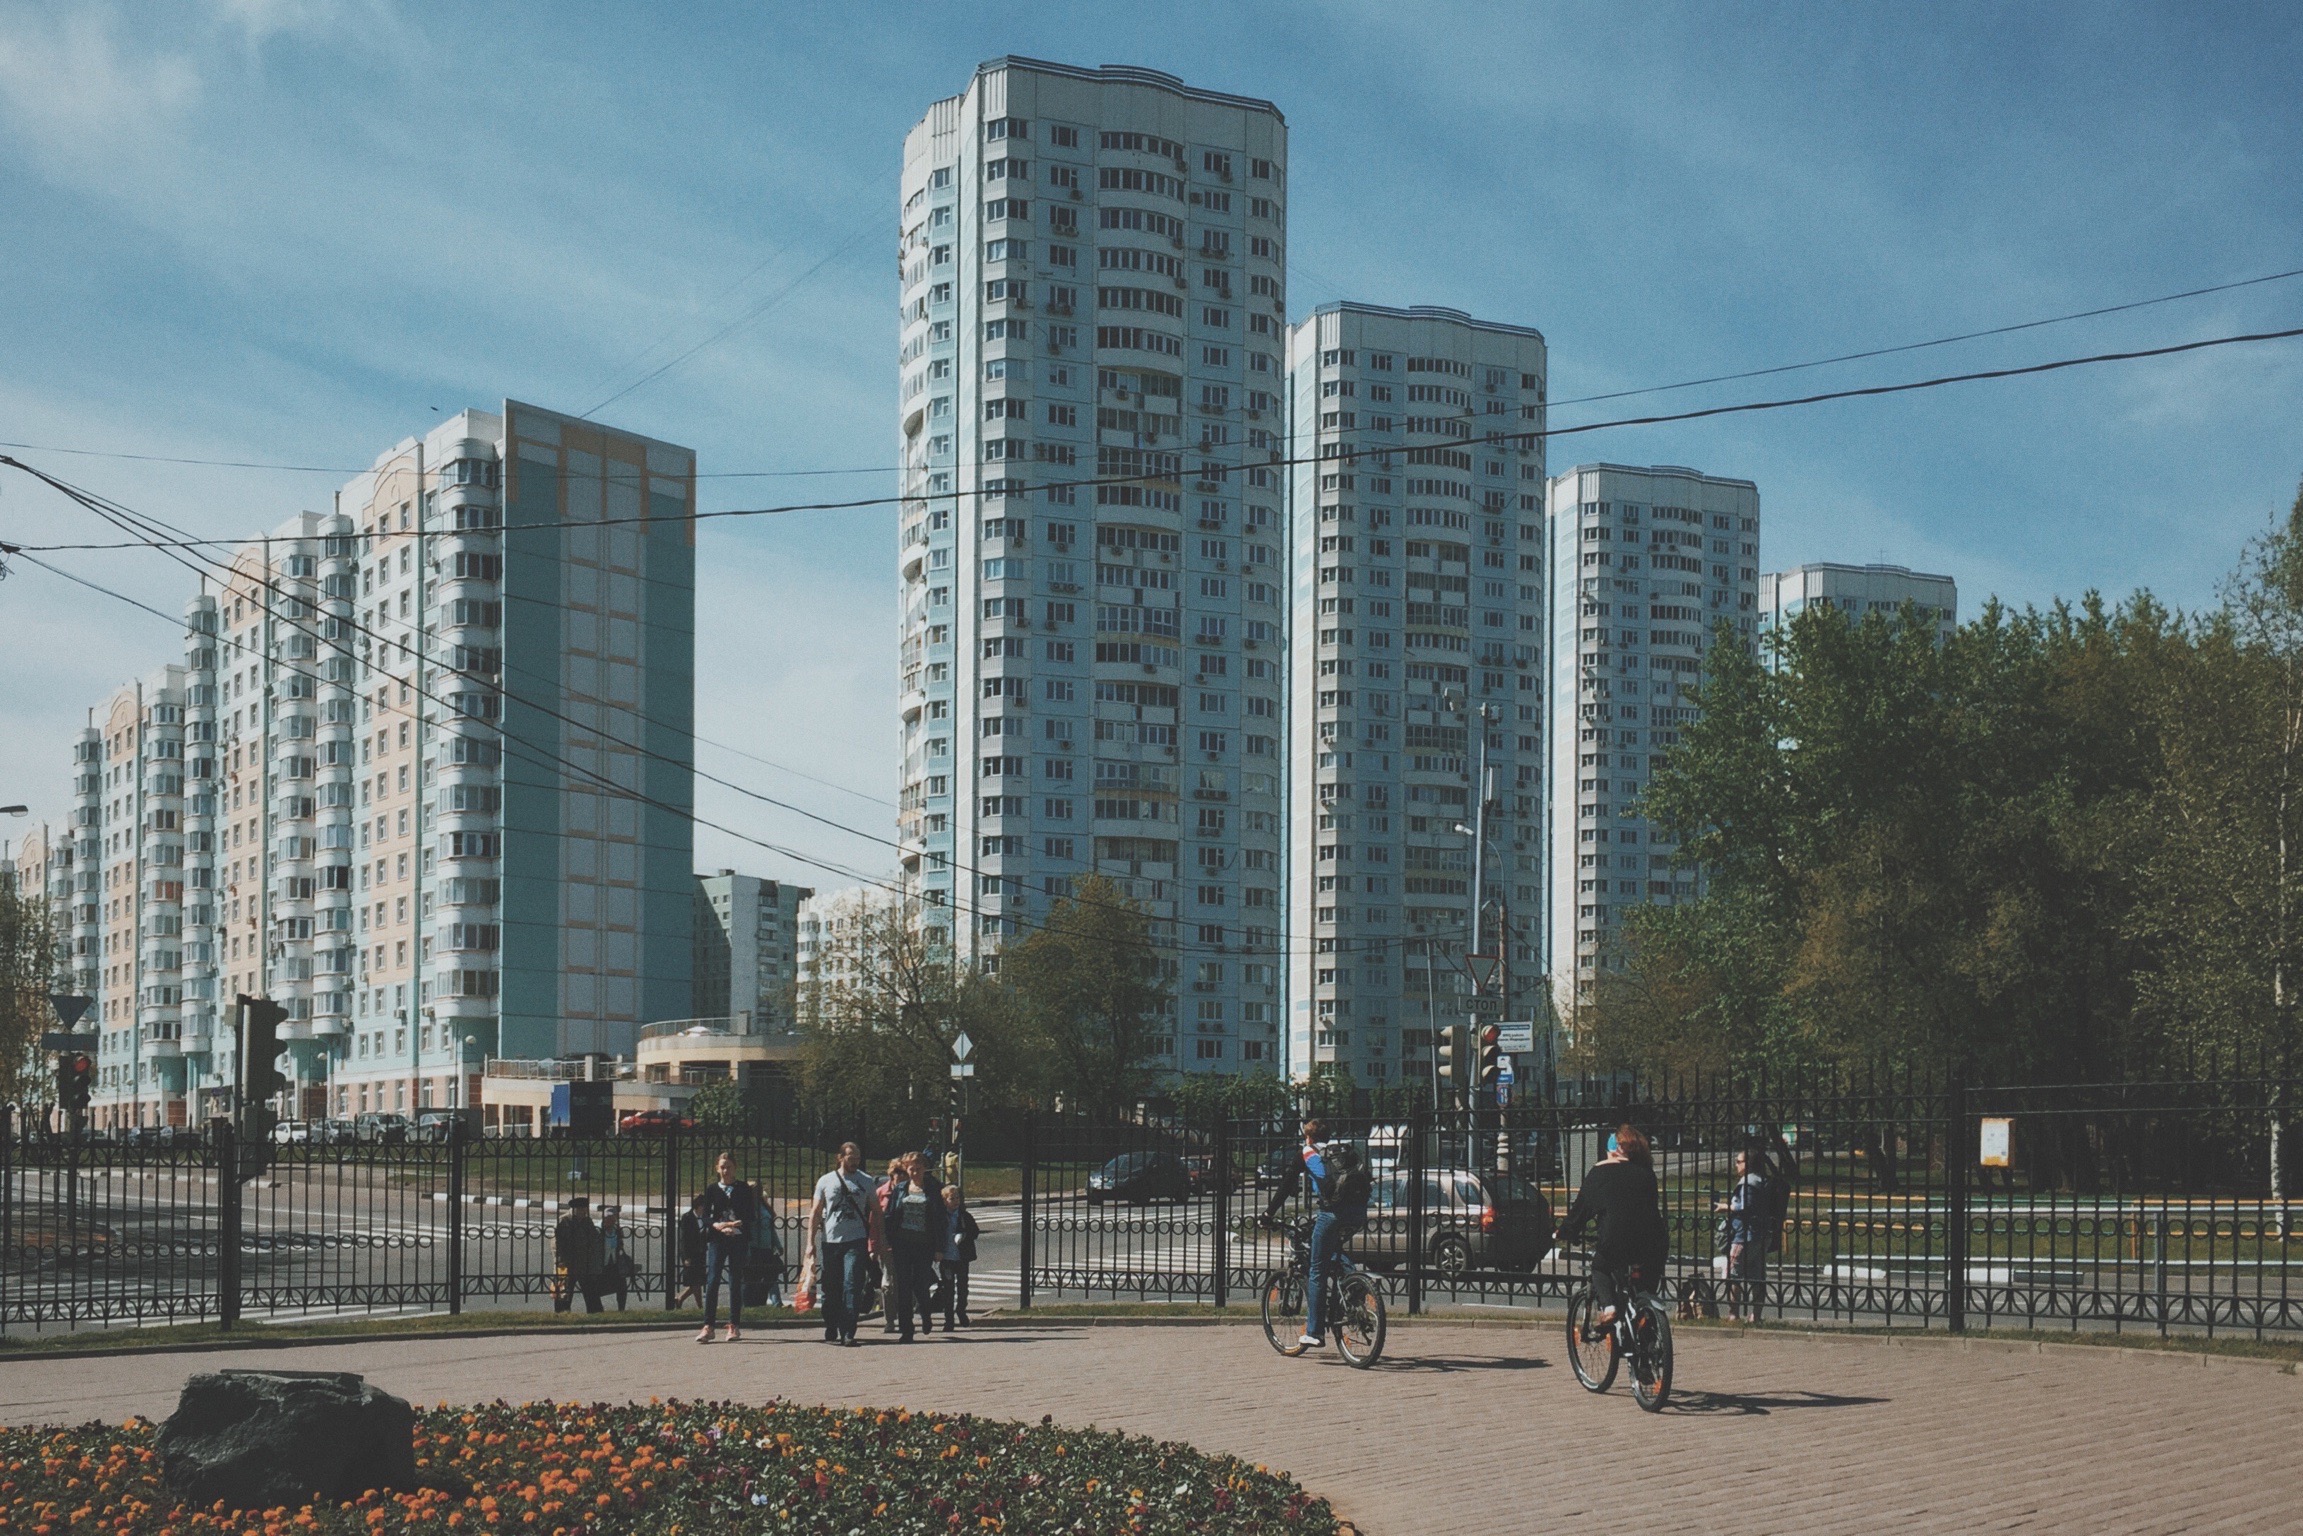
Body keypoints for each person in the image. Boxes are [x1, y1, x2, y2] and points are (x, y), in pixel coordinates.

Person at [1262, 1119, 1370, 1349]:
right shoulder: (1340, 1151)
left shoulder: (1308, 1153)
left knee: (1317, 1268)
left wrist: (1268, 1214)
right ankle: (1353, 1284)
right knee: (1332, 1249)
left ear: (1308, 1137)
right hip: (1358, 1213)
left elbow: (1285, 1186)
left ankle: (1314, 1332)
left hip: (1332, 1213)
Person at [1555, 1124, 1670, 1327]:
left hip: (1616, 1239)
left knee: (1600, 1267)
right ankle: (1647, 1313)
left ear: (1615, 1148)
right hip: (1654, 1240)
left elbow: (1581, 1210)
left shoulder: (1601, 1172)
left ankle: (1609, 1308)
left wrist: (1565, 1232)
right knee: (1645, 1286)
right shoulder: (1647, 1173)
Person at [803, 1141, 884, 1346]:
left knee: (852, 1284)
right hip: (831, 1241)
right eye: (850, 1157)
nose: (855, 1161)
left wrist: (877, 1239)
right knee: (831, 1287)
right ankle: (831, 1323)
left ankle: (848, 1330)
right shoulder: (826, 1181)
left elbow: (876, 1210)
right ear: (840, 1158)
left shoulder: (865, 1181)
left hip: (855, 1240)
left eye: (857, 1157)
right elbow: (815, 1212)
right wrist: (809, 1243)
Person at [695, 1151, 759, 1343]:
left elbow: (750, 1215)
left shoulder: (743, 1189)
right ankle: (708, 1325)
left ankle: (734, 1325)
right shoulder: (712, 1189)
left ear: (735, 1168)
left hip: (737, 1238)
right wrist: (717, 1225)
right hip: (718, 1238)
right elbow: (706, 1216)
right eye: (722, 1167)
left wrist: (735, 1225)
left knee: (734, 1281)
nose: (725, 1171)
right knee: (713, 1279)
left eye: (729, 1167)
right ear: (717, 1169)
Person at [885, 1154, 947, 1341]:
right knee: (903, 1286)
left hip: (924, 1244)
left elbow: (940, 1220)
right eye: (910, 1168)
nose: (914, 1171)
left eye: (918, 1167)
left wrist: (939, 1248)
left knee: (921, 1284)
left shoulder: (934, 1189)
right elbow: (890, 1215)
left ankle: (926, 1315)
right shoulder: (901, 1189)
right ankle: (907, 1329)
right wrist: (889, 1240)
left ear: (924, 1168)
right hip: (902, 1244)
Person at [1713, 1145, 1774, 1322]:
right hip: (1762, 1234)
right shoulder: (1763, 1180)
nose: (1736, 1165)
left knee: (1733, 1274)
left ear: (1749, 1163)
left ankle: (1733, 1314)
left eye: (1739, 1162)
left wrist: (1724, 1207)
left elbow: (1742, 1207)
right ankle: (1756, 1315)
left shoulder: (1748, 1183)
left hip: (1744, 1234)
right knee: (1758, 1276)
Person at [937, 1184, 980, 1329]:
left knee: (962, 1288)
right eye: (951, 1198)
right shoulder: (940, 1217)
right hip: (946, 1258)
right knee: (948, 1290)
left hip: (961, 1258)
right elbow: (935, 1235)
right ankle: (948, 1320)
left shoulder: (964, 1216)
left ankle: (961, 1310)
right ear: (944, 1201)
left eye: (957, 1198)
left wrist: (964, 1235)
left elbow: (975, 1232)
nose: (955, 1201)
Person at [552, 1195, 604, 1314]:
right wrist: (561, 1261)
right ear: (575, 1210)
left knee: (590, 1290)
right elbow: (556, 1244)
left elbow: (594, 1239)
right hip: (566, 1263)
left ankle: (595, 1313)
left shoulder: (587, 1221)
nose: (584, 1212)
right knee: (564, 1291)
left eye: (585, 1210)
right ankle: (561, 1313)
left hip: (584, 1263)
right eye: (582, 1210)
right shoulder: (563, 1221)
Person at [674, 1192, 707, 1309]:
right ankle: (700, 1307)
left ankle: (680, 1299)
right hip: (691, 1254)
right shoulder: (687, 1218)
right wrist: (686, 1257)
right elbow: (684, 1239)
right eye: (703, 1205)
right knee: (696, 1282)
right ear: (698, 1205)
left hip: (701, 1253)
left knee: (697, 1282)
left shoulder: (704, 1217)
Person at [598, 1205, 632, 1312]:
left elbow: (620, 1245)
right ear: (603, 1218)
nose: (611, 1221)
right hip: (600, 1263)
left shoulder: (617, 1229)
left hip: (614, 1262)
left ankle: (621, 1309)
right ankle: (598, 1309)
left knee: (621, 1285)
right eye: (608, 1218)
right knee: (597, 1288)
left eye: (613, 1218)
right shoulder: (597, 1229)